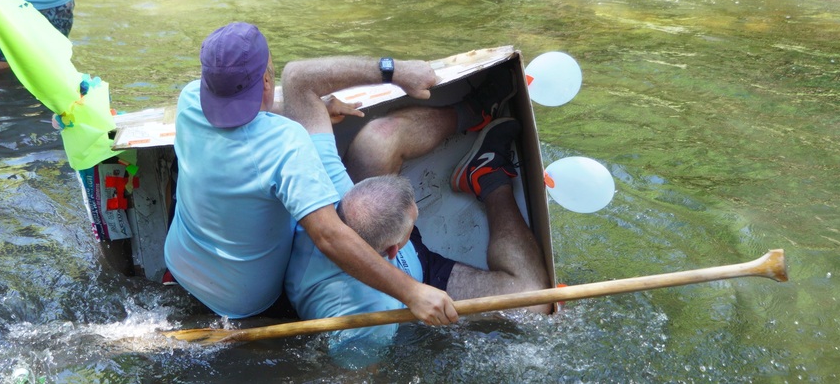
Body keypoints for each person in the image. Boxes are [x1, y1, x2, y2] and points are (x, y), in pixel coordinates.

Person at [163, 21, 458, 326]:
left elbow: (245, 115)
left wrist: (296, 107)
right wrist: (412, 292)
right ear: (266, 81)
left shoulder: (188, 100)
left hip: (180, 264)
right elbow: (329, 237)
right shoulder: (285, 143)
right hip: (245, 303)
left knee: (183, 165)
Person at [282, 58, 552, 366]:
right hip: (418, 274)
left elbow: (296, 77)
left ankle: (472, 112)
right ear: (396, 248)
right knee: (533, 298)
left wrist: (393, 72)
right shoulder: (371, 320)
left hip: (379, 238)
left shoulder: (327, 186)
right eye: (414, 220)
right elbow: (358, 372)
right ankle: (488, 176)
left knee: (379, 138)